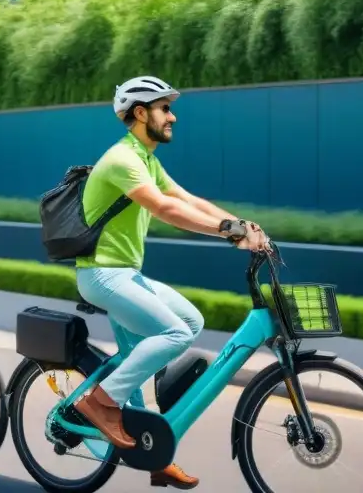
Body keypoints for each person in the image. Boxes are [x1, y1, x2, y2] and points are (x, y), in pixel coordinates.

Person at [74, 76, 270, 490]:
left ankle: (152, 453)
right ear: (140, 113)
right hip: (103, 275)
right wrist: (228, 231)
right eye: (165, 108)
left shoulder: (146, 159)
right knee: (175, 332)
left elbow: (187, 199)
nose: (173, 116)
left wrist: (238, 224)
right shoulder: (121, 160)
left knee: (190, 321)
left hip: (126, 275)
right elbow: (164, 209)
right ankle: (100, 403)